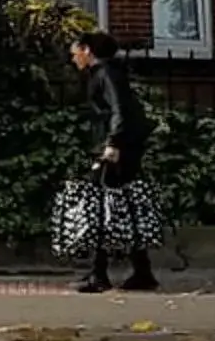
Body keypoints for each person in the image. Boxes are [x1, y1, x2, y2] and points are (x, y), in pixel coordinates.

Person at [60, 31, 160, 293]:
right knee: (122, 206)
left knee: (99, 208)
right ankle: (142, 272)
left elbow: (119, 109)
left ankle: (98, 274)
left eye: (75, 52)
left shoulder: (105, 73)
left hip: (116, 148)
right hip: (123, 146)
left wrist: (113, 143)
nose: (73, 58)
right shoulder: (109, 72)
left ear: (87, 50)